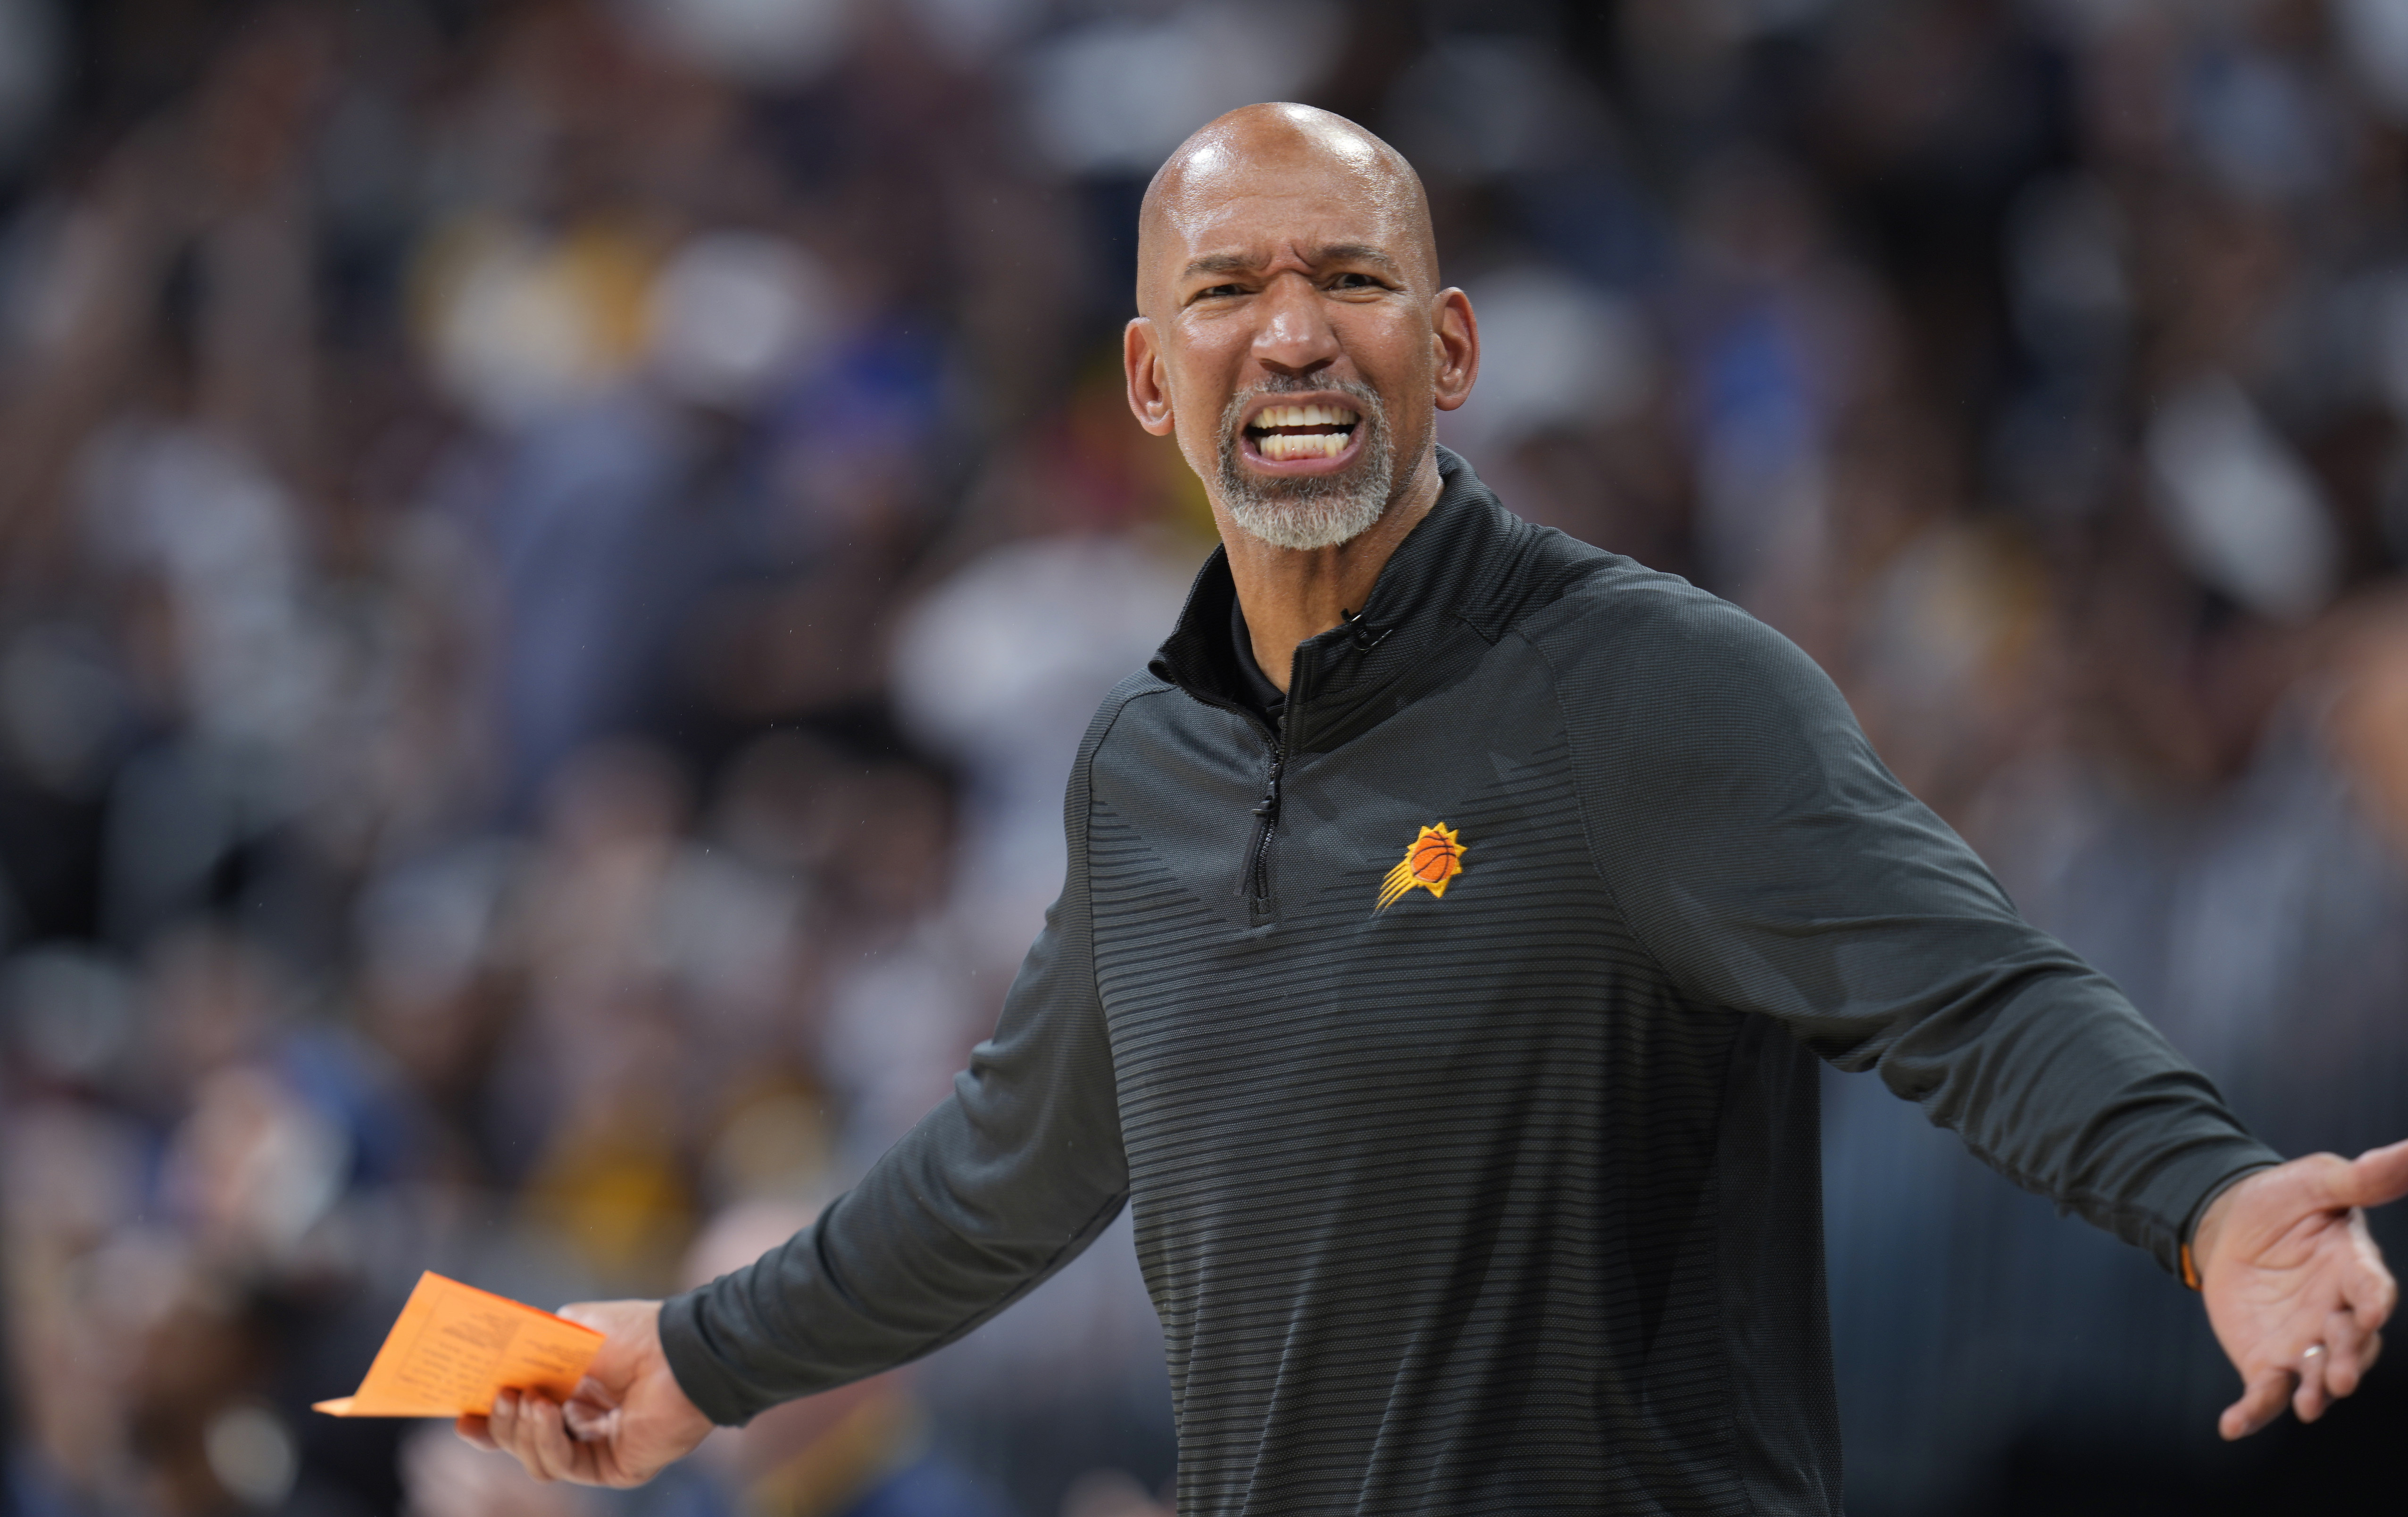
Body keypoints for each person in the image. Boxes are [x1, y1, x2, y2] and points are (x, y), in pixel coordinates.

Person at [459, 105, 2407, 1515]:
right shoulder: (1143, 773)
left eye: (1347, 281)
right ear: (1149, 378)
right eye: (1225, 289)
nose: (1290, 334)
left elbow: (1961, 986)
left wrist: (2206, 1195)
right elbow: (1005, 1167)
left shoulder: (1643, 688)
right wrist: (702, 1357)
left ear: (1445, 350)